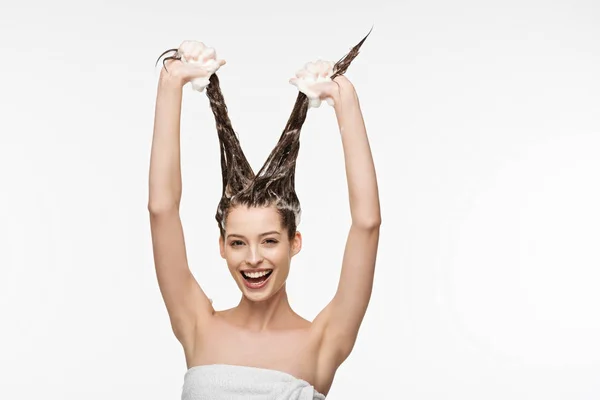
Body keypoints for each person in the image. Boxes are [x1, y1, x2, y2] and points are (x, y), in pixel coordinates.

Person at [148, 29, 380, 399]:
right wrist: (172, 81)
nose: (253, 259)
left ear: (294, 242)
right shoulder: (197, 325)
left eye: (269, 241)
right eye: (238, 242)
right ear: (222, 246)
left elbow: (367, 224)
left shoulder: (323, 340)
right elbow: (161, 210)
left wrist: (343, 98)